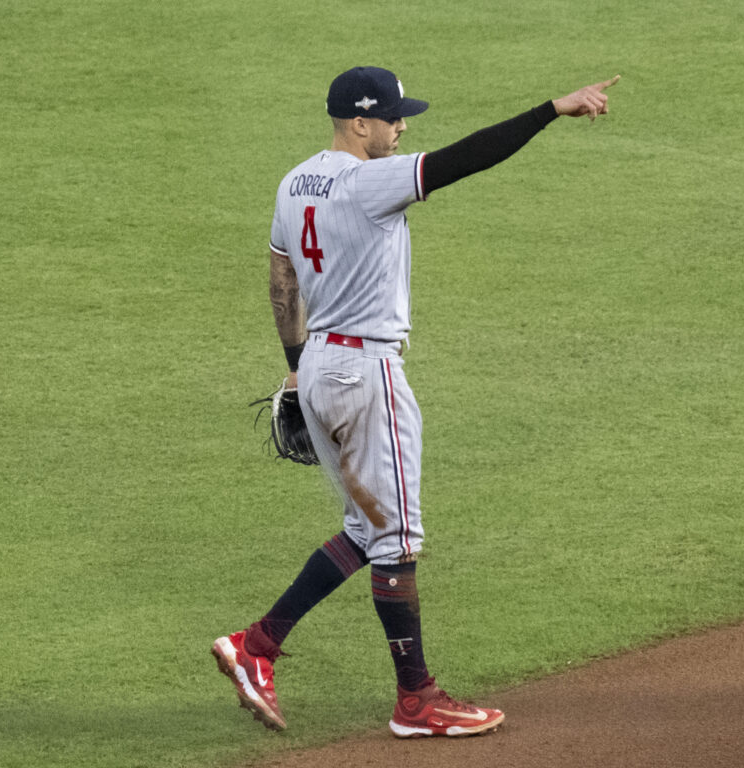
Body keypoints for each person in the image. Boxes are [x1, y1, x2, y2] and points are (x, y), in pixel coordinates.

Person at [212, 66, 619, 739]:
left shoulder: (293, 183)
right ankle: (417, 701)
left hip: (318, 368)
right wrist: (552, 108)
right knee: (397, 538)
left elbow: (282, 280)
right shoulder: (370, 182)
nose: (402, 127)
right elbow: (466, 158)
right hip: (367, 376)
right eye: (393, 117)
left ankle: (256, 646)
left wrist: (295, 368)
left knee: (366, 529)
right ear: (359, 123)